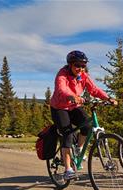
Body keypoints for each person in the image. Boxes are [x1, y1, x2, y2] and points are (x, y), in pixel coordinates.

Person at [50, 50, 117, 180]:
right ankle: (68, 169)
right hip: (60, 107)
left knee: (87, 126)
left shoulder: (83, 75)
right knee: (68, 134)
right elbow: (61, 89)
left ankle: (79, 150)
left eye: (83, 66)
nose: (80, 68)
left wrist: (108, 98)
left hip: (74, 106)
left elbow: (94, 89)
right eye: (77, 65)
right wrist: (72, 96)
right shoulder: (62, 74)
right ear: (70, 65)